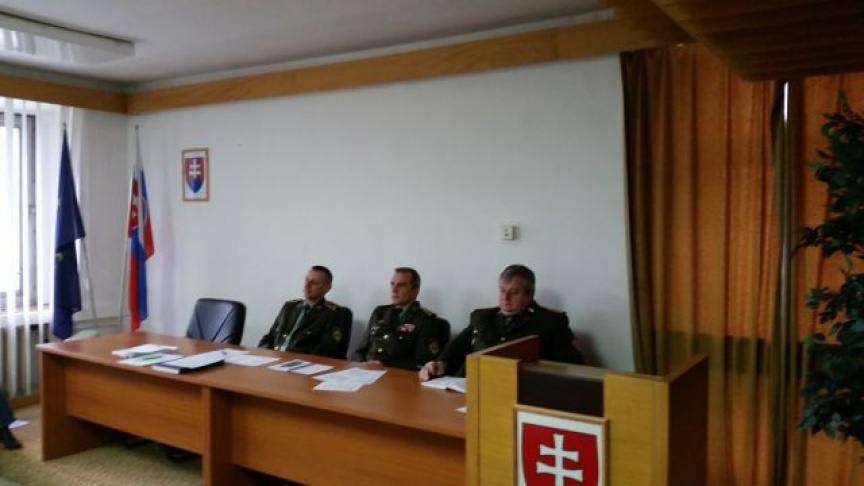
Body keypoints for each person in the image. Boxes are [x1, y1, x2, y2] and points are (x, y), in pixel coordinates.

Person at [419, 264, 583, 380]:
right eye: (502, 290)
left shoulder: (550, 322)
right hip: (468, 386)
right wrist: (439, 362)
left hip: (517, 391)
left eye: (514, 292)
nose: (505, 298)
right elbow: (457, 347)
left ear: (530, 295)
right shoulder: (482, 317)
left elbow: (570, 367)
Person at [354, 267, 447, 370]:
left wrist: (384, 366)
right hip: (365, 372)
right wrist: (360, 364)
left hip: (394, 375)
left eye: (401, 285)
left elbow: (422, 363)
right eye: (392, 284)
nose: (394, 290)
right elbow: (360, 350)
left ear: (415, 290)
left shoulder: (426, 320)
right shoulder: (379, 312)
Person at [258, 265, 351, 359]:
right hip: (274, 359)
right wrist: (262, 353)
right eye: (306, 280)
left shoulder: (333, 313)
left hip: (299, 363)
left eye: (314, 283)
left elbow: (326, 350)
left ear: (327, 288)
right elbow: (270, 337)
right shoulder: (289, 306)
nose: (307, 285)